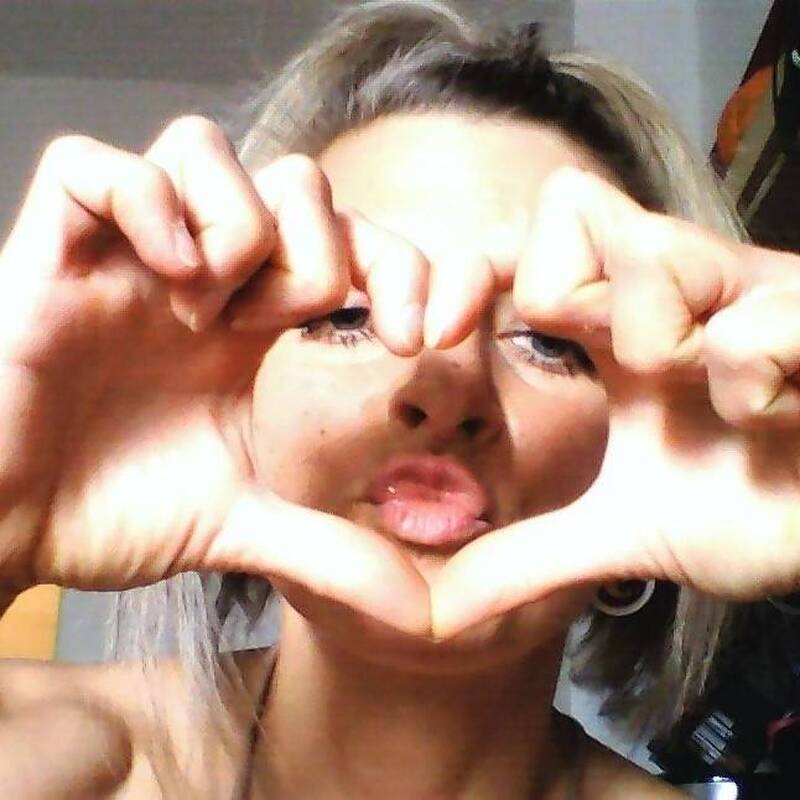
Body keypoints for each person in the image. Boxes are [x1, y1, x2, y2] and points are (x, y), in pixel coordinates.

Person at [0, 1, 798, 797]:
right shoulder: (47, 756)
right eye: (348, 316)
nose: (444, 387)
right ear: (241, 405)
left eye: (550, 340)